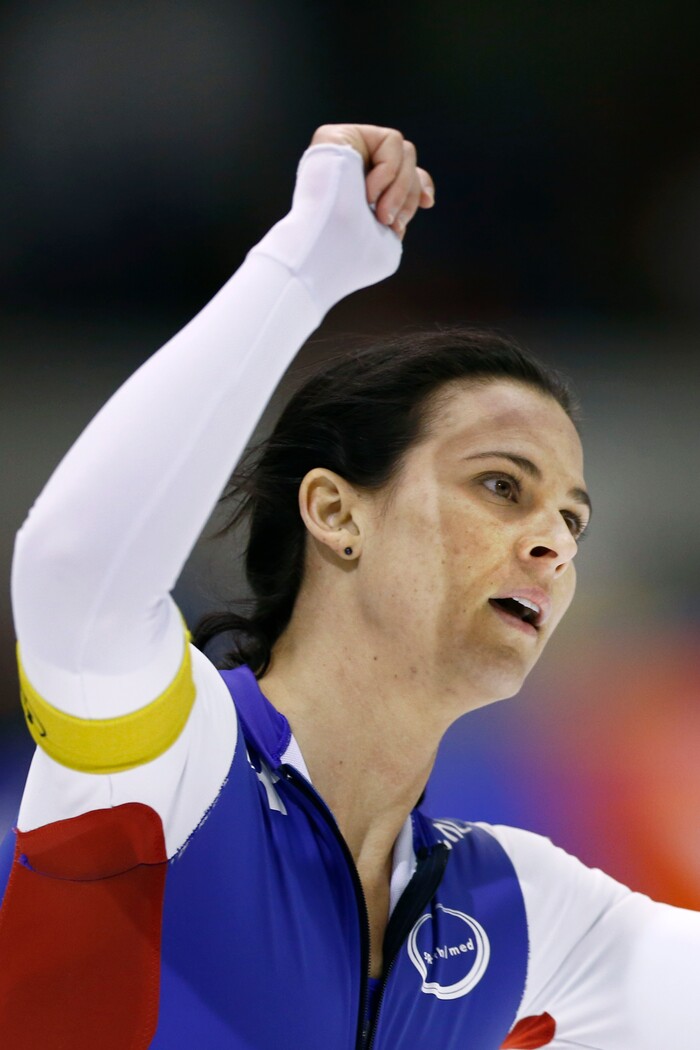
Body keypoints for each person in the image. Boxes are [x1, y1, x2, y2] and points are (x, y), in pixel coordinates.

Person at [0, 122, 698, 1050]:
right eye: (501, 486)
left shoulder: (517, 911)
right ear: (335, 512)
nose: (553, 546)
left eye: (572, 521)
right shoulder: (172, 769)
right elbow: (70, 570)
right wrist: (299, 274)